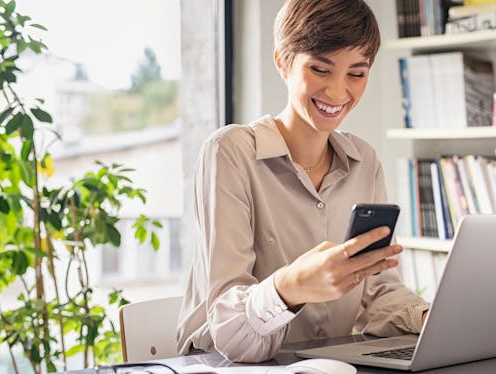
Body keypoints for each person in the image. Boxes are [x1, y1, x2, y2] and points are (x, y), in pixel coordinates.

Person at [176, 0, 429, 363]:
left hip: (325, 366)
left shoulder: (364, 161)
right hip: (226, 366)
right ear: (282, 61)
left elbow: (376, 291)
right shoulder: (230, 152)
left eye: (356, 74)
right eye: (320, 69)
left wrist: (427, 317)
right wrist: (290, 287)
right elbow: (228, 329)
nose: (338, 93)